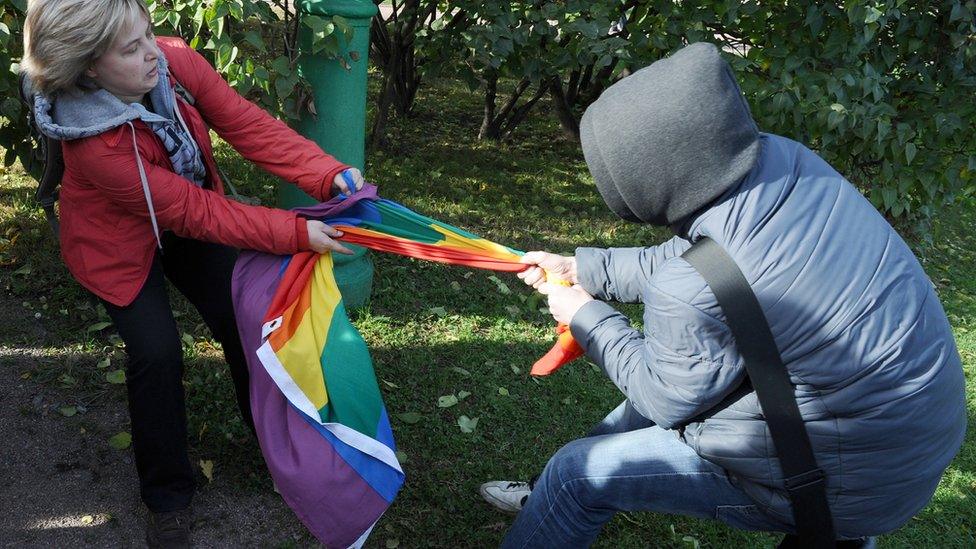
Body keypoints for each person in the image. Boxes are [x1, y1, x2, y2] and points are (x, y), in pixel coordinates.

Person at [480, 42, 966, 547]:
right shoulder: (785, 164)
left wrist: (586, 315)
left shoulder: (689, 287)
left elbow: (664, 396)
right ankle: (547, 501)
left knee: (576, 475)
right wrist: (581, 267)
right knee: (627, 423)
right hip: (910, 436)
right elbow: (710, 261)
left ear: (640, 182)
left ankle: (555, 496)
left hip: (847, 479)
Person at [22, 0, 367, 546]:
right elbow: (195, 210)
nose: (149, 54)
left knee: (247, 320)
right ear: (89, 66)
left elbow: (244, 123)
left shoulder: (173, 60)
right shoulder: (94, 144)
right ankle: (168, 499)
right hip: (117, 244)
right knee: (156, 354)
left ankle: (278, 449)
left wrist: (325, 173)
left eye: (147, 36)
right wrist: (297, 232)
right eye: (130, 49)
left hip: (182, 216)